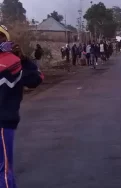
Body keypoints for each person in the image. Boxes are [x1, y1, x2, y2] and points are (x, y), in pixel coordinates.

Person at [0, 25, 44, 188]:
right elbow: (37, 78)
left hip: (4, 121)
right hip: (3, 122)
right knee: (4, 170)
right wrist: (24, 60)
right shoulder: (13, 62)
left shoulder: (12, 61)